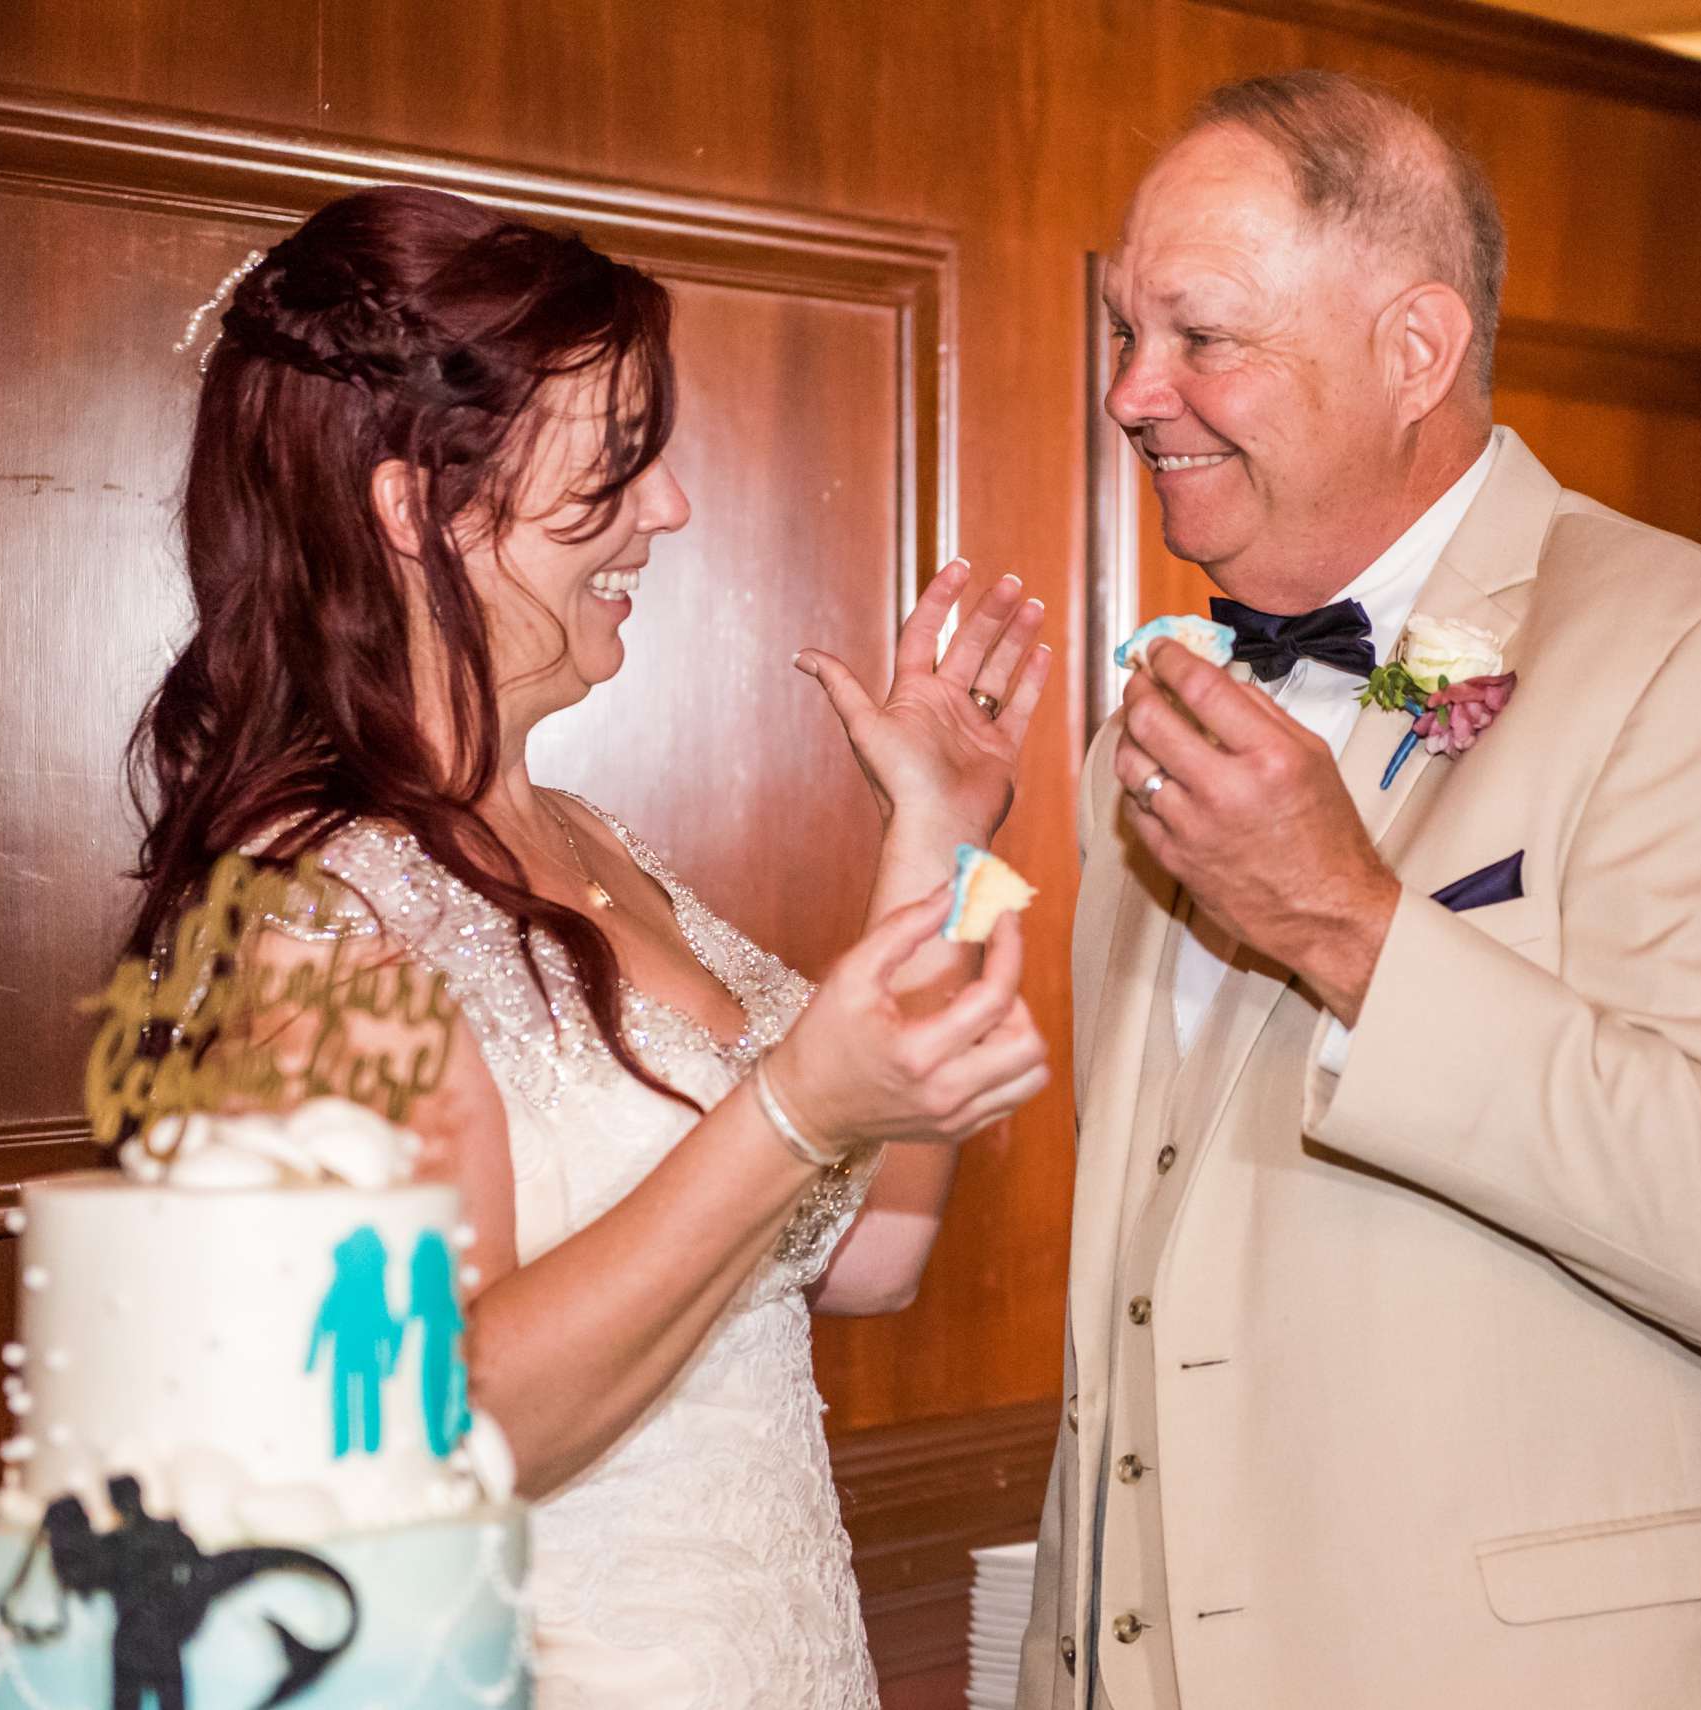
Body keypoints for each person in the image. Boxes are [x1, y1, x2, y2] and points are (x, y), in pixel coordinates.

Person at [1018, 71, 1701, 1709]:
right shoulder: (1155, 719)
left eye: (1202, 337)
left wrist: (1352, 926)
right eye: (1127, 332)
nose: (1134, 394)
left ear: (1415, 349)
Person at [125, 184, 1054, 1708]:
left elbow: (874, 1250)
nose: (671, 506)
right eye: (615, 465)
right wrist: (795, 1106)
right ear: (417, 504)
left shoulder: (599, 844)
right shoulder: (312, 913)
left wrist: (943, 842)